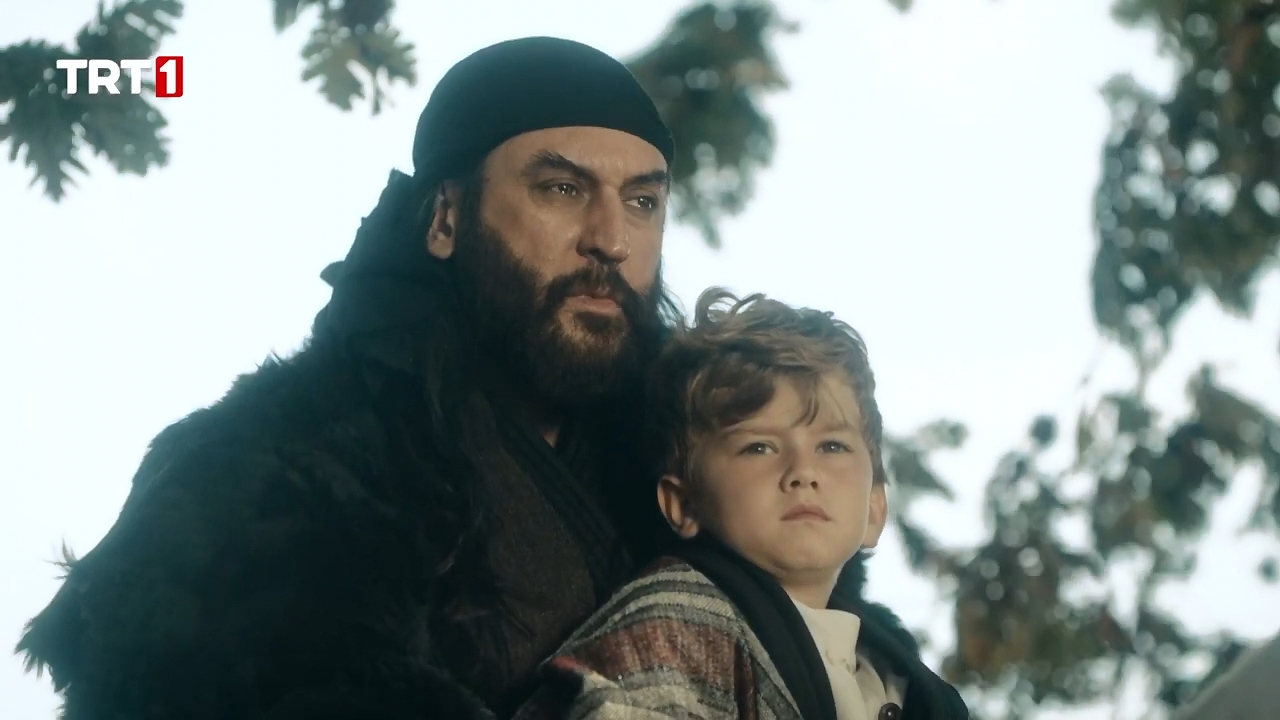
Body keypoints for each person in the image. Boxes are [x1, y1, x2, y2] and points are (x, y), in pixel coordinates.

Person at [17, 37, 682, 720]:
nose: (612, 239)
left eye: (642, 201)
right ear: (446, 218)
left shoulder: (698, 458)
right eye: (563, 189)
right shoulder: (272, 459)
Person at [514, 289, 972, 720]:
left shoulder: (894, 674)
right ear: (683, 502)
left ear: (874, 507)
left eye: (832, 446)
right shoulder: (674, 627)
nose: (802, 471)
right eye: (759, 447)